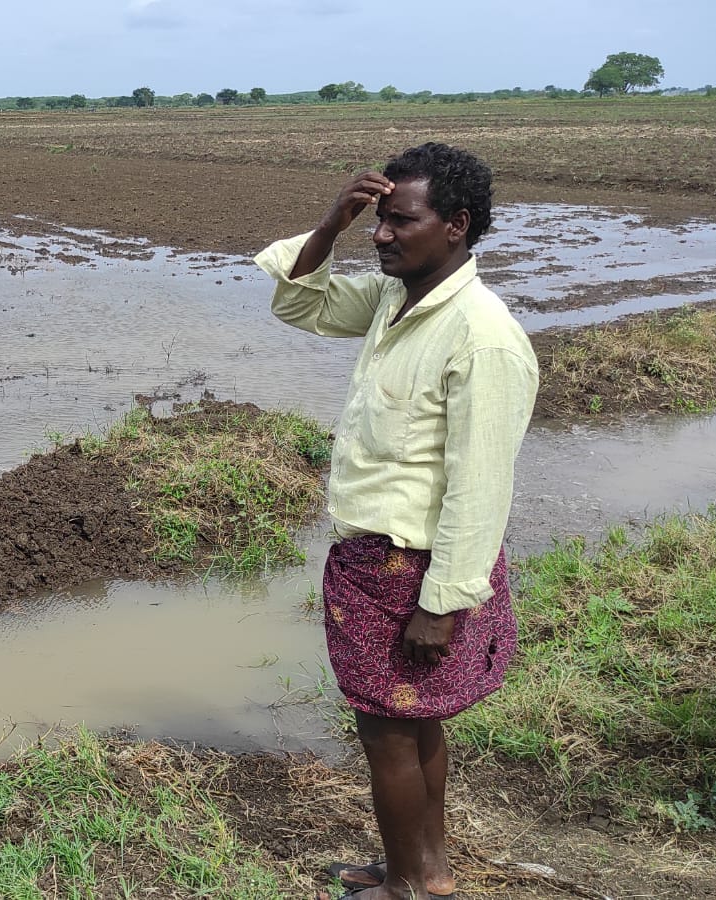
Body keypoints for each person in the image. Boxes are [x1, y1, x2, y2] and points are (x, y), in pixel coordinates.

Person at [253, 143, 538, 900]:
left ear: (457, 225)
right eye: (378, 221)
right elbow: (297, 301)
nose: (381, 236)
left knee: (387, 734)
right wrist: (331, 222)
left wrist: (443, 603)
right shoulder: (394, 298)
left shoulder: (481, 338)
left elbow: (481, 488)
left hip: (411, 570)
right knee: (414, 727)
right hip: (375, 562)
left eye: (399, 222)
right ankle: (429, 870)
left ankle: (407, 887)